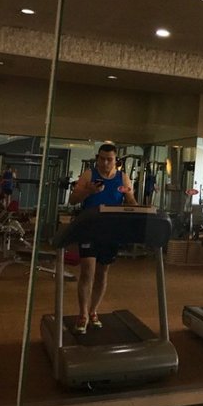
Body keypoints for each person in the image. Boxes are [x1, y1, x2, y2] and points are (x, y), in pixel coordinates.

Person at [67, 143, 137, 334]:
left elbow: (131, 200)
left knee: (102, 272)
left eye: (109, 159)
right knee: (87, 271)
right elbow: (72, 200)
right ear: (97, 158)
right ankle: (83, 314)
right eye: (102, 159)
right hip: (89, 229)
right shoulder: (89, 175)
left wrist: (133, 203)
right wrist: (88, 191)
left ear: (115, 161)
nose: (105, 163)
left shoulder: (123, 178)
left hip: (111, 231)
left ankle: (93, 311)